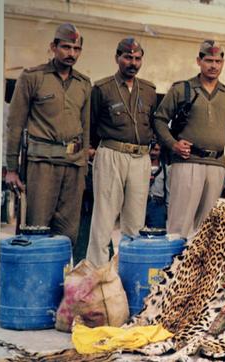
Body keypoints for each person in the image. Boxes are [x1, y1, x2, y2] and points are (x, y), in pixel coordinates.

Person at [5, 23, 91, 245]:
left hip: (73, 166)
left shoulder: (84, 83)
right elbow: (15, 124)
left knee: (68, 233)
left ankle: (62, 278)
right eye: (66, 47)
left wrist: (83, 166)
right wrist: (12, 169)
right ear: (53, 47)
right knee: (37, 228)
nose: (71, 53)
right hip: (41, 164)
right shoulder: (32, 77)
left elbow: (86, 126)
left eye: (76, 49)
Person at [153, 40, 225, 239]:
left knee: (206, 230)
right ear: (199, 61)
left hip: (217, 165)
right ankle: (173, 268)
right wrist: (173, 144)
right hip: (187, 162)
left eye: (218, 61)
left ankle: (198, 270)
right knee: (179, 225)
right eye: (208, 60)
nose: (213, 66)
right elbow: (159, 120)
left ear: (222, 64)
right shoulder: (182, 89)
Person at [86, 37, 157, 266]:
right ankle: (95, 277)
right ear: (117, 58)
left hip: (140, 158)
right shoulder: (102, 88)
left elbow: (152, 124)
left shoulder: (148, 90)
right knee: (104, 218)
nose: (133, 63)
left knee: (135, 222)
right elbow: (91, 123)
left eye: (137, 58)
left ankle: (128, 274)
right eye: (128, 57)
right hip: (111, 154)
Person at [145, 142, 169, 229]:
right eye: (151, 149)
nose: (153, 152)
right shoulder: (140, 168)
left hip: (158, 206)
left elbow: (168, 191)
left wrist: (167, 210)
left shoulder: (165, 169)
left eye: (156, 150)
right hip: (142, 204)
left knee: (157, 235)